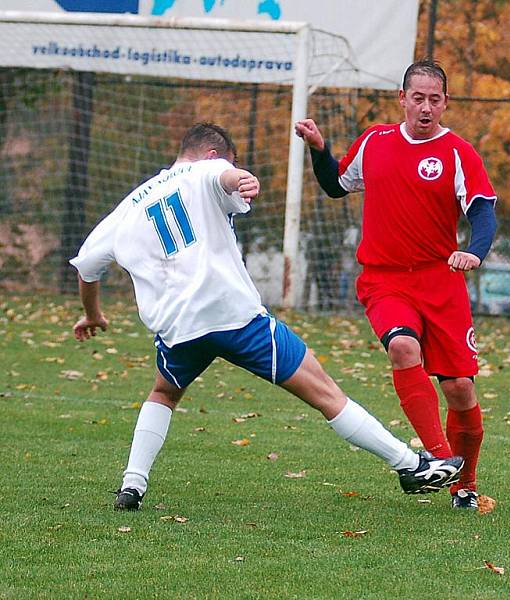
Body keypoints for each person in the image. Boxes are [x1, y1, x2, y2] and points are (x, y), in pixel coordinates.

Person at [69, 122, 463, 511]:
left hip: (177, 328)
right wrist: (243, 179)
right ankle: (411, 465)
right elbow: (224, 176)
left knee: (164, 393)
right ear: (212, 154)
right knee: (326, 392)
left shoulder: (126, 209)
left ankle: (132, 485)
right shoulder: (205, 169)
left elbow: (87, 268)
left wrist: (93, 314)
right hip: (235, 316)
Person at [294, 60, 498, 510]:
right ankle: (441, 459)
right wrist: (319, 149)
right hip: (384, 279)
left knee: (460, 389)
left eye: (435, 99)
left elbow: (483, 210)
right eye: (418, 98)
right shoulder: (375, 141)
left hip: (441, 282)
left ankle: (465, 484)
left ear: (445, 103)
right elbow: (335, 185)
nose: (426, 107)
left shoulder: (458, 152)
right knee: (403, 348)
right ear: (402, 99)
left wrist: (475, 252)